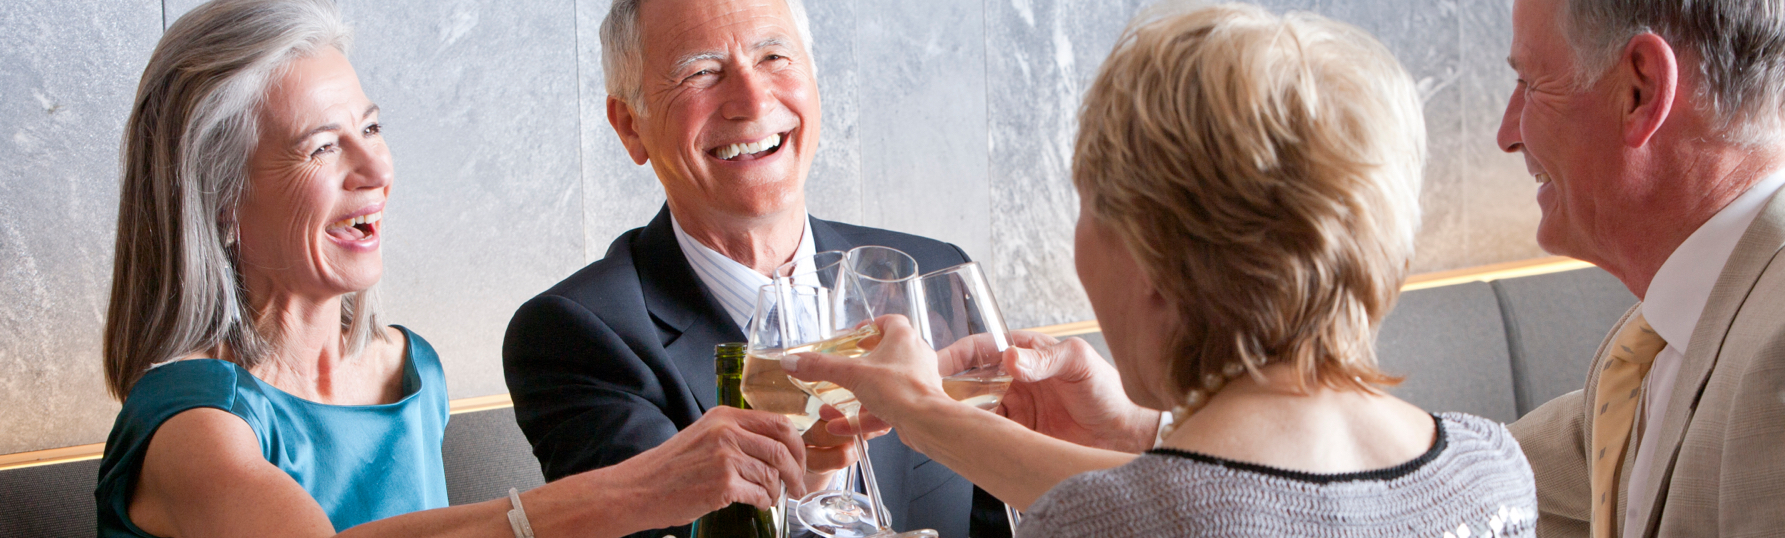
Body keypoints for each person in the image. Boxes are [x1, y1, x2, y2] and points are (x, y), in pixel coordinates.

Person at [782, 4, 1540, 536]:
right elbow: (1244, 505)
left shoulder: (1114, 520)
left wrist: (922, 411)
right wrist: (1145, 435)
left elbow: (1176, 513)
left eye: (1087, 208)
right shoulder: (1490, 467)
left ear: (1150, 254)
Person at [95, 1, 808, 536]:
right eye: (321, 148)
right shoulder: (190, 425)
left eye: (370, 129)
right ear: (221, 199)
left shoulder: (411, 372)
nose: (376, 169)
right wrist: (643, 487)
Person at [500, 0, 979, 535]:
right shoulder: (577, 334)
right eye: (701, 73)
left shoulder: (933, 274)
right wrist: (809, 486)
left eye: (774, 56)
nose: (752, 101)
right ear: (631, 126)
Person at [1497, 0, 1785, 536]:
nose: (1508, 132)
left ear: (1640, 91)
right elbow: (1505, 472)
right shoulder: (1683, 325)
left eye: (1530, 84)